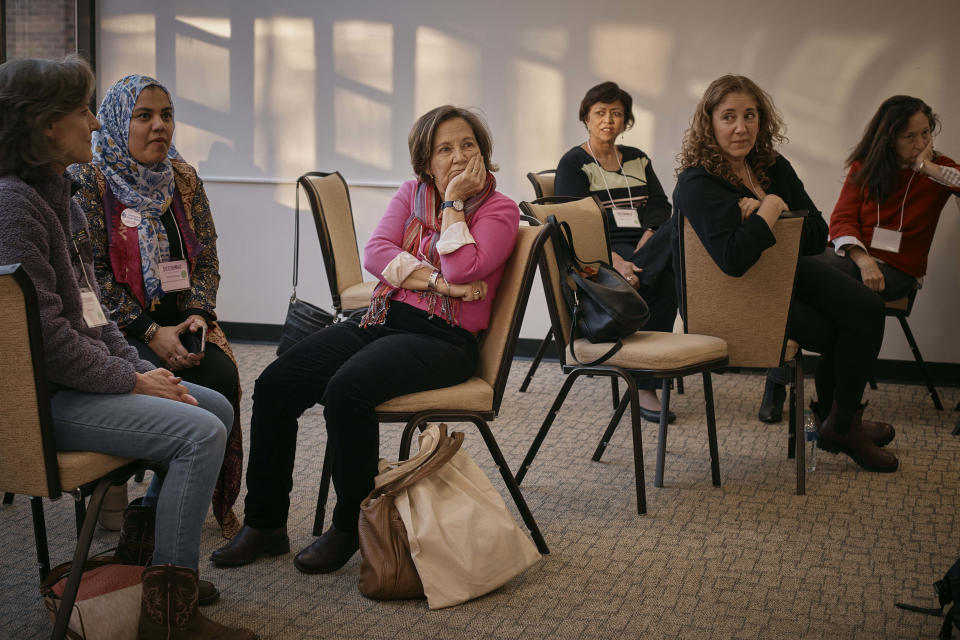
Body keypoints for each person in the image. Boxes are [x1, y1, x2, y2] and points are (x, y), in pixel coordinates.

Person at [0, 57, 256, 639]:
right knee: (202, 429)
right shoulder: (14, 207)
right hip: (41, 405)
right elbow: (49, 343)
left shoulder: (52, 193)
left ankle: (151, 565)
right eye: (84, 111)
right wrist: (136, 379)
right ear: (45, 126)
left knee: (211, 403)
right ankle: (172, 616)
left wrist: (141, 367)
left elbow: (90, 311)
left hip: (74, 384)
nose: (95, 123)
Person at [211, 105, 519, 573]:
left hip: (445, 340)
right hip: (383, 316)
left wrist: (454, 202)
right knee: (276, 383)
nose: (458, 157)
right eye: (445, 149)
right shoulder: (411, 193)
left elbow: (462, 267)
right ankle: (265, 523)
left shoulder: (500, 210)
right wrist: (440, 286)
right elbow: (377, 253)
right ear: (425, 160)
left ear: (484, 152)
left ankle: (350, 525)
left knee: (346, 391)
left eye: (468, 145)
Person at [672, 74, 898, 473]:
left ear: (762, 121)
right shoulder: (697, 183)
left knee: (866, 308)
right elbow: (733, 260)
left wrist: (764, 210)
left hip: (785, 274)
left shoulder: (772, 166)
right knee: (840, 332)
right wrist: (773, 209)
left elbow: (815, 235)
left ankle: (839, 423)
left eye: (750, 115)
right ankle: (839, 424)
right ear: (709, 123)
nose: (741, 127)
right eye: (728, 117)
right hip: (735, 297)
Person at [69, 75, 243, 538]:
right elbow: (92, 280)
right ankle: (112, 483)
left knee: (221, 380)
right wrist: (150, 332)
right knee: (172, 390)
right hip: (115, 330)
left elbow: (206, 257)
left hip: (181, 318)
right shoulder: (87, 180)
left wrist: (199, 315)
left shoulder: (182, 179)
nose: (159, 126)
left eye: (166, 115)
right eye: (143, 116)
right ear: (114, 122)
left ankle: (158, 502)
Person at [758, 96, 960, 422]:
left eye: (926, 133)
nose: (921, 143)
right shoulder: (865, 167)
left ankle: (781, 380)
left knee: (795, 273)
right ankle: (833, 411)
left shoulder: (939, 171)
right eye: (910, 136)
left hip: (897, 272)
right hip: (854, 262)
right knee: (804, 275)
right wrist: (863, 259)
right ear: (889, 137)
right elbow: (841, 221)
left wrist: (929, 168)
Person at [555, 81, 677, 423]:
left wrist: (651, 234)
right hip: (604, 248)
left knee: (683, 219)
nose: (608, 119)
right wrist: (613, 259)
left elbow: (659, 204)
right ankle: (645, 384)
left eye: (616, 113)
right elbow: (574, 221)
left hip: (644, 244)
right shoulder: (574, 163)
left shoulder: (638, 158)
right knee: (665, 284)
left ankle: (640, 277)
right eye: (600, 113)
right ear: (586, 117)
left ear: (626, 121)